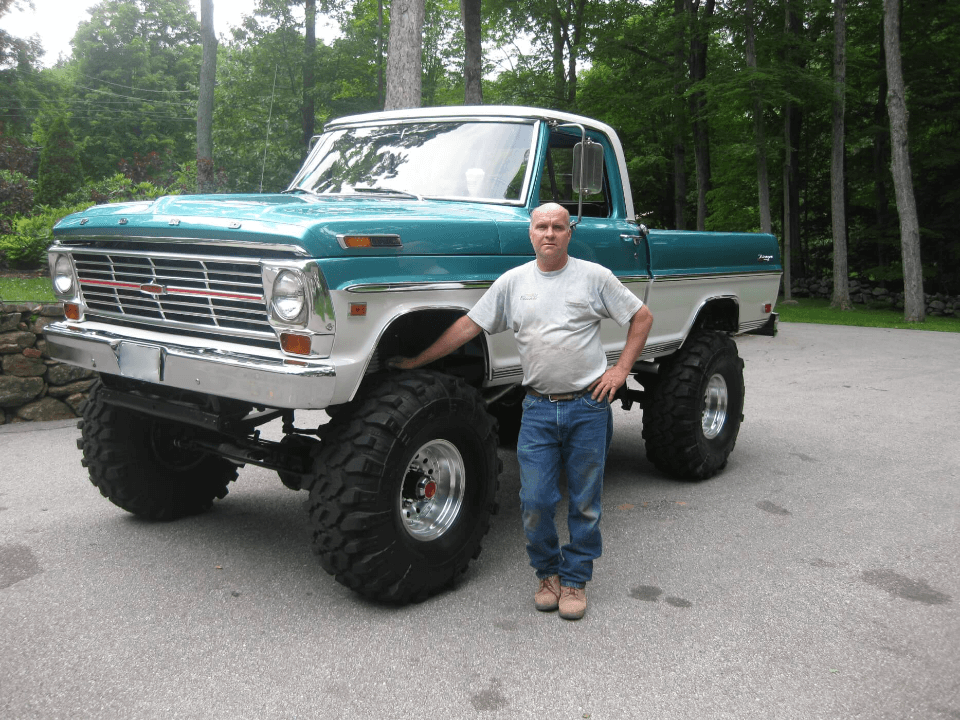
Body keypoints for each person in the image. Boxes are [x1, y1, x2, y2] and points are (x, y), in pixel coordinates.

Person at [389, 203, 653, 620]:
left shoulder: (593, 277)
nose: (549, 233)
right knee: (535, 500)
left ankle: (575, 580)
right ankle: (547, 574)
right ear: (530, 233)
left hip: (588, 406)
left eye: (558, 227)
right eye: (542, 227)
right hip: (538, 410)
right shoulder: (513, 283)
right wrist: (416, 361)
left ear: (570, 233)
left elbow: (641, 316)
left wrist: (621, 371)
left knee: (585, 502)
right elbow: (468, 326)